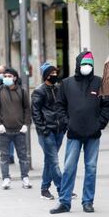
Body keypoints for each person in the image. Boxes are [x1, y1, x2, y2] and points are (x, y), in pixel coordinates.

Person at [50, 51, 109, 214]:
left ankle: (88, 201)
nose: (87, 67)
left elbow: (107, 106)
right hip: (74, 133)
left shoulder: (100, 82)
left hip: (93, 134)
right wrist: (67, 123)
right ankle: (64, 201)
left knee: (91, 167)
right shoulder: (67, 83)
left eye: (90, 64)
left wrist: (100, 124)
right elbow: (59, 106)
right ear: (78, 64)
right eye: (84, 64)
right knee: (69, 167)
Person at [0, 68, 31, 190]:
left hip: (20, 130)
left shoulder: (22, 91)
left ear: (15, 78)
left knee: (23, 156)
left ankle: (25, 178)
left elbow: (27, 108)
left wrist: (26, 124)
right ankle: (6, 178)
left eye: (9, 76)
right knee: (4, 156)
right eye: (5, 76)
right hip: (4, 130)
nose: (6, 78)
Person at [31, 62, 66, 199]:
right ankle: (62, 188)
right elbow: (35, 113)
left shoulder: (59, 89)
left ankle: (44, 189)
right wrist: (43, 129)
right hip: (47, 132)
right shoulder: (39, 91)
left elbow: (63, 107)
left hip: (59, 130)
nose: (54, 75)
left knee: (50, 160)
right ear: (45, 76)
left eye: (55, 73)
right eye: (51, 74)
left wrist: (64, 124)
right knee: (54, 161)